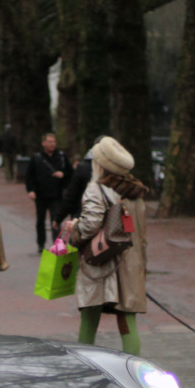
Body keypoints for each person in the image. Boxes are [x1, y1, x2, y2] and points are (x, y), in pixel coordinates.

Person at [67, 136, 149, 356]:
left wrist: (74, 228)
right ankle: (135, 369)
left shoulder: (97, 188)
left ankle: (86, 365)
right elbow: (140, 232)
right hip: (129, 261)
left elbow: (90, 224)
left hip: (101, 261)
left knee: (89, 315)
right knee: (127, 318)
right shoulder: (134, 190)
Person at [24, 132, 69, 251]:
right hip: (40, 194)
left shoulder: (61, 157)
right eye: (49, 142)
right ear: (43, 143)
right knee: (40, 220)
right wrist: (30, 190)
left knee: (55, 219)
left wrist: (63, 175)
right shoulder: (37, 158)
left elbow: (70, 174)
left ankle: (56, 243)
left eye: (54, 142)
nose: (52, 144)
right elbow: (29, 176)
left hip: (56, 194)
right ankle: (41, 243)